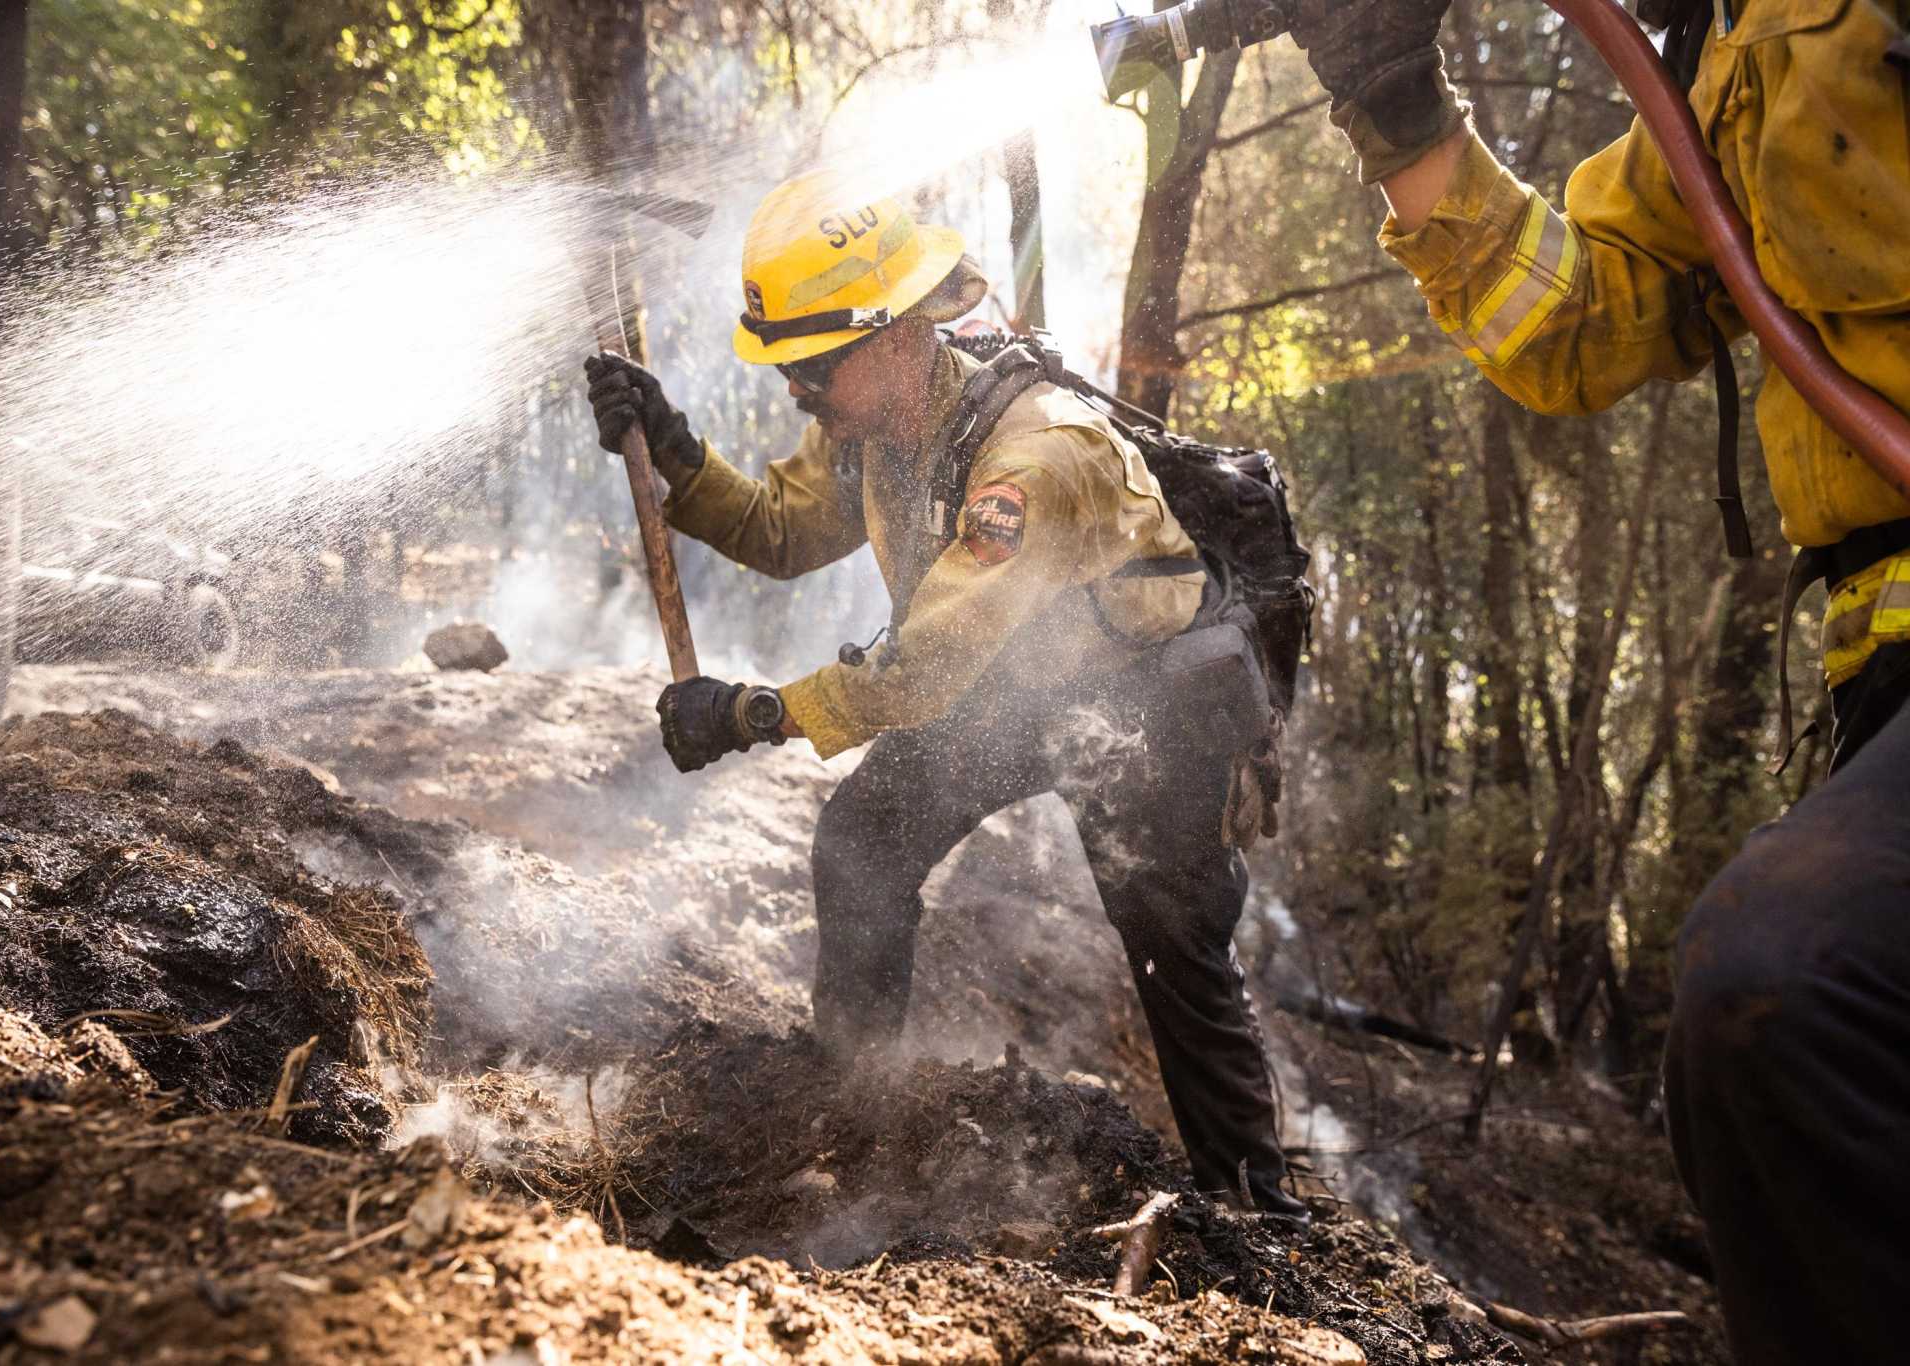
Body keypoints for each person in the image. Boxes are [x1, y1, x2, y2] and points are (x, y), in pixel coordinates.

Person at [1287, 1, 1910, 1359]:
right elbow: (1567, 322)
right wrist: (1393, 98)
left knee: (1787, 992)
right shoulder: (1738, 55)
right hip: (1883, 675)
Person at [583, 171, 1309, 1221]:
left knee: (1170, 937)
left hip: (1139, 704)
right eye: (786, 366)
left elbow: (922, 668)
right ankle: (852, 1112)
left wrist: (750, 713)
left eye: (813, 366)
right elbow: (782, 531)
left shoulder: (1036, 459)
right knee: (862, 842)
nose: (797, 389)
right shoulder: (868, 422)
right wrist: (678, 451)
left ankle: (1258, 1212)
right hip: (1007, 684)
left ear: (895, 334)